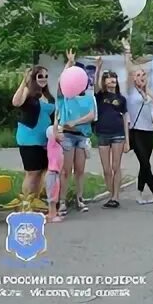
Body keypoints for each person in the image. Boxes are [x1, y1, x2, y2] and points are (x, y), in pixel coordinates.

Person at [53, 49, 96, 215]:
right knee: (66, 170)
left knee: (80, 170)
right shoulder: (65, 97)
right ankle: (62, 201)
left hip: (82, 136)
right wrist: (69, 63)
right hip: (68, 136)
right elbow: (59, 83)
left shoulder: (88, 97)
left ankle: (80, 198)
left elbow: (91, 115)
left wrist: (76, 122)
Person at [122, 39, 153, 205]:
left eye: (143, 74)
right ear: (134, 79)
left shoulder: (149, 91)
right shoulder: (131, 92)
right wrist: (127, 53)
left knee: (144, 164)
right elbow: (128, 69)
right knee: (144, 162)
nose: (141, 77)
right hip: (136, 131)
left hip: (149, 131)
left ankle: (139, 194)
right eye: (138, 75)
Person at [11, 65, 55, 200]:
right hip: (29, 137)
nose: (44, 79)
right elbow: (16, 102)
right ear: (33, 77)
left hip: (45, 139)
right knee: (32, 172)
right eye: (40, 76)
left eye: (46, 76)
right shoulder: (27, 92)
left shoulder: (48, 95)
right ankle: (26, 202)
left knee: (42, 171)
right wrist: (24, 81)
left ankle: (35, 199)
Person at [94, 57, 130, 209]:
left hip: (118, 134)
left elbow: (125, 119)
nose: (112, 81)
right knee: (106, 169)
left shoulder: (121, 99)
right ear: (104, 82)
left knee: (116, 166)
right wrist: (98, 68)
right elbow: (95, 85)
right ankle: (110, 194)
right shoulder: (100, 96)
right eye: (109, 79)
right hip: (102, 134)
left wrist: (127, 140)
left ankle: (116, 196)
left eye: (114, 79)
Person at [45, 126, 64, 223]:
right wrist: (56, 117)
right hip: (52, 173)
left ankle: (54, 213)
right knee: (52, 196)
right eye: (60, 132)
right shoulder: (52, 144)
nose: (62, 134)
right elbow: (54, 131)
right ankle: (51, 215)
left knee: (55, 195)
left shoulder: (58, 145)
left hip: (56, 174)